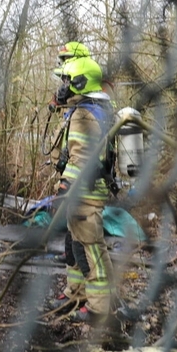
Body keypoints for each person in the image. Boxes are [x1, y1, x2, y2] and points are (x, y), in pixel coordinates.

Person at [51, 56, 119, 325]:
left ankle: (99, 307)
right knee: (76, 243)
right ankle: (77, 293)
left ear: (80, 82)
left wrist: (64, 189)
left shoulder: (84, 114)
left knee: (91, 248)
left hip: (85, 192)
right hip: (86, 189)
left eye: (67, 80)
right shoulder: (93, 108)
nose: (63, 86)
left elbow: (81, 157)